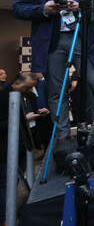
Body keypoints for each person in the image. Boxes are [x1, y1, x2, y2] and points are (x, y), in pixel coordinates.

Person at [12, 0, 94, 142]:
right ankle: (63, 136)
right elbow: (18, 8)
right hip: (52, 40)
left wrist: (81, 6)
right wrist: (44, 9)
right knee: (57, 90)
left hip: (82, 36)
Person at [0, 72, 43, 225]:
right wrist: (20, 120)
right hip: (6, 150)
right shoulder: (4, 98)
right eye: (28, 87)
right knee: (5, 185)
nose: (30, 90)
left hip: (22, 146)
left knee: (14, 183)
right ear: (17, 83)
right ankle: (4, 219)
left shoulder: (26, 96)